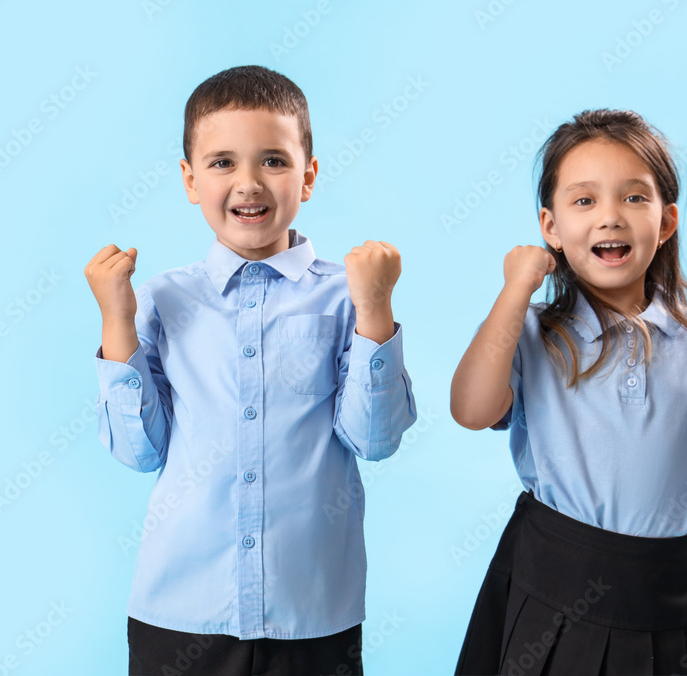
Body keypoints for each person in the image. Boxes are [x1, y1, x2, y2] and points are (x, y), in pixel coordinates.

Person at [450, 109, 687, 675]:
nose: (610, 218)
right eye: (584, 201)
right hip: (553, 581)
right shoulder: (532, 334)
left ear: (667, 221)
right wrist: (516, 290)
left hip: (670, 590)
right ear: (549, 228)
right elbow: (472, 410)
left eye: (634, 198)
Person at [84, 65, 416, 676]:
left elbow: (375, 440)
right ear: (189, 179)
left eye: (273, 160)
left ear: (308, 176)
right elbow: (140, 453)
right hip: (181, 610)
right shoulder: (158, 300)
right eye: (221, 163)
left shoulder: (349, 297)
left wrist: (375, 311)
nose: (249, 183)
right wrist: (116, 321)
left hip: (312, 609)